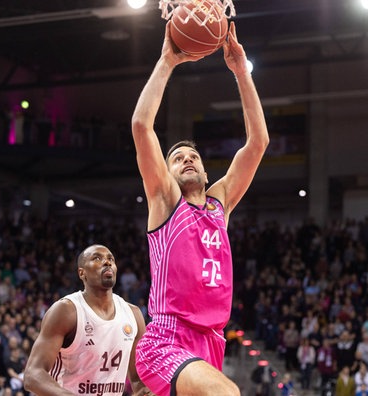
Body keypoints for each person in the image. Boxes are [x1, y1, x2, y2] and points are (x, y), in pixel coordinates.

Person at [131, 17, 269, 396]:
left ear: (207, 173)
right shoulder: (165, 201)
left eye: (193, 157)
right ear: (167, 174)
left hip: (211, 342)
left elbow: (257, 142)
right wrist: (167, 62)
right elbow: (142, 126)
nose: (187, 160)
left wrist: (241, 71)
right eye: (178, 159)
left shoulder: (219, 204)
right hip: (166, 340)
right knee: (227, 394)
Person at [22, 244, 149, 395]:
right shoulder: (66, 311)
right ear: (82, 273)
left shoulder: (133, 314)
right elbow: (33, 375)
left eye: (111, 259)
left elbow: (138, 380)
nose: (107, 262)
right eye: (97, 258)